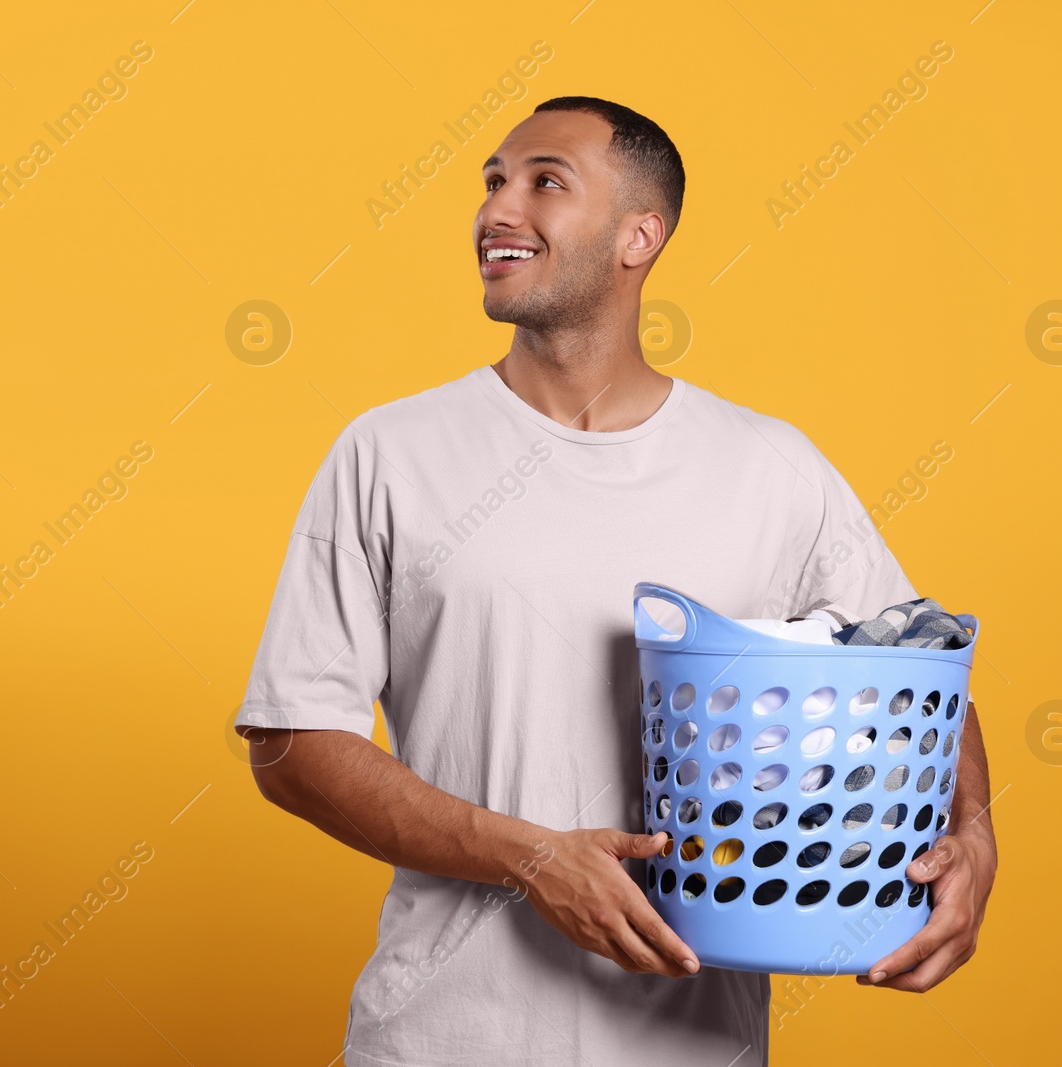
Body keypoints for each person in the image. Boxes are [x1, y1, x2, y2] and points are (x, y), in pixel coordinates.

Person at [236, 96, 998, 1066]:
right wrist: (531, 856)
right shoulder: (390, 451)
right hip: (439, 1039)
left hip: (690, 1044)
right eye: (492, 182)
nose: (498, 210)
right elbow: (289, 738)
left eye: (544, 182)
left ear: (642, 234)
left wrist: (973, 838)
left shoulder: (768, 466)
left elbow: (917, 669)